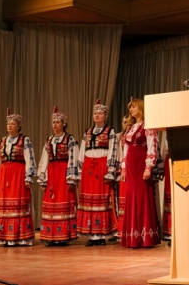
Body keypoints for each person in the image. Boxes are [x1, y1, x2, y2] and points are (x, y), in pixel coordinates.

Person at [0, 108, 37, 246]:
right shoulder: (1, 141)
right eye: (8, 123)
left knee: (18, 203)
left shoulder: (24, 140)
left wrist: (28, 177)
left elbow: (29, 159)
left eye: (13, 123)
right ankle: (4, 235)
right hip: (4, 174)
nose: (10, 126)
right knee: (4, 204)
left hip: (18, 173)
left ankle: (19, 236)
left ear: (19, 126)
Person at [119, 98, 161, 248]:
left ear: (141, 108)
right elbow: (125, 149)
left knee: (142, 197)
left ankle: (145, 237)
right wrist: (123, 168)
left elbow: (152, 147)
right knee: (132, 197)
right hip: (131, 166)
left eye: (134, 107)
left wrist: (148, 167)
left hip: (141, 165)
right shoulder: (131, 128)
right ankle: (133, 236)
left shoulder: (148, 126)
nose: (131, 110)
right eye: (130, 107)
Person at [77, 99, 119, 245]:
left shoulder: (110, 131)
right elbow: (82, 151)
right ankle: (90, 235)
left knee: (102, 199)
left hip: (102, 166)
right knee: (89, 200)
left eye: (99, 113)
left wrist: (110, 169)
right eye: (95, 113)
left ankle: (101, 235)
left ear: (105, 115)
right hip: (89, 167)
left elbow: (113, 150)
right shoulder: (88, 131)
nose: (96, 115)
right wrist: (79, 168)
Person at [37, 106, 79, 246]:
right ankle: (50, 235)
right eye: (53, 122)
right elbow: (44, 159)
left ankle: (63, 235)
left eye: (57, 122)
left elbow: (74, 157)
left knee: (63, 200)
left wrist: (71, 177)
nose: (55, 124)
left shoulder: (69, 139)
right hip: (52, 172)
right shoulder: (49, 140)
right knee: (51, 202)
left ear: (64, 124)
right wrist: (43, 178)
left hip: (63, 171)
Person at [116, 114, 135, 242]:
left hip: (132, 168)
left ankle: (131, 229)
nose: (126, 124)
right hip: (121, 170)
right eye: (124, 122)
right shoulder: (118, 136)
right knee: (121, 200)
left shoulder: (134, 135)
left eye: (128, 122)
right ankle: (121, 230)